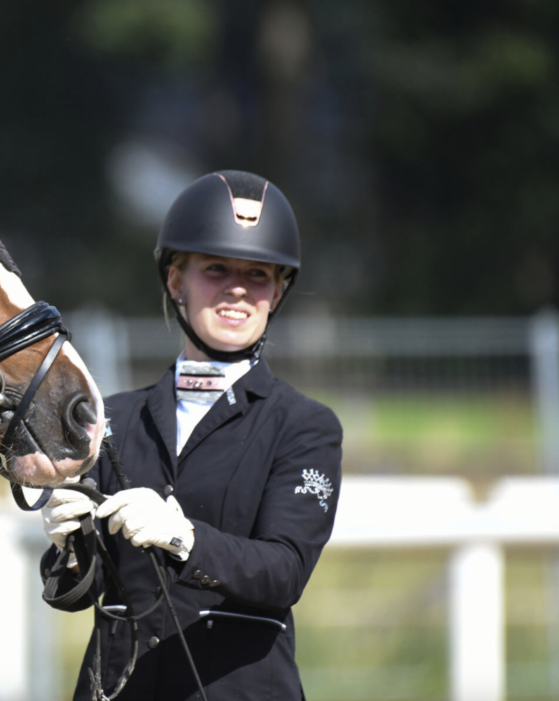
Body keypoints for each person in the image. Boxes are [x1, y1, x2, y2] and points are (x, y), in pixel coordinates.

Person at [40, 170, 343, 700]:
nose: (237, 289)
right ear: (177, 281)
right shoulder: (113, 419)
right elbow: (81, 594)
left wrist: (185, 538)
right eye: (216, 268)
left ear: (277, 292)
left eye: (257, 275)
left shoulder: (304, 426)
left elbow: (284, 572)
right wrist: (70, 547)